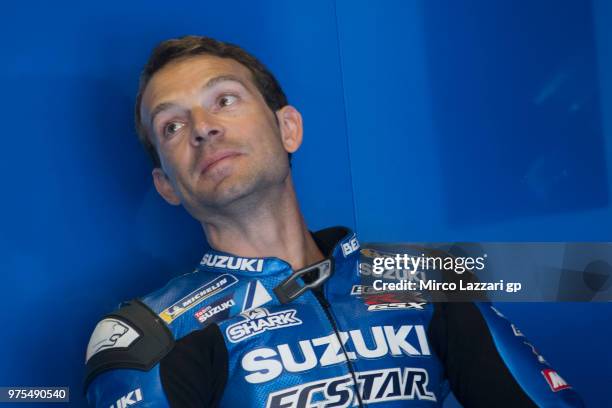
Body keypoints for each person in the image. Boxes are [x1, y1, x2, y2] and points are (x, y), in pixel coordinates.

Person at [84, 36, 584, 408]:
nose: (203, 128)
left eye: (225, 100)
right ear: (166, 184)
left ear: (288, 129)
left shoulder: (421, 274)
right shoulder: (148, 333)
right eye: (171, 126)